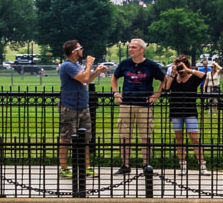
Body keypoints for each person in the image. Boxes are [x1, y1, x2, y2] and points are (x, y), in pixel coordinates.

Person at [109, 38, 165, 170]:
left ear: (142, 50)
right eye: (129, 47)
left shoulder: (151, 65)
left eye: (133, 47)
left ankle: (146, 164)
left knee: (145, 136)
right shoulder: (124, 64)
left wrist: (156, 95)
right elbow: (114, 77)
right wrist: (116, 93)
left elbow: (164, 79)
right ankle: (125, 165)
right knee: (124, 135)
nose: (130, 49)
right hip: (126, 103)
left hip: (144, 104)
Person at [56, 42, 104, 173]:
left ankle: (86, 167)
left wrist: (97, 71)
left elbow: (87, 80)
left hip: (83, 106)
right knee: (66, 138)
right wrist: (88, 64)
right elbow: (83, 78)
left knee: (85, 139)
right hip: (69, 106)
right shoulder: (67, 66)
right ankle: (64, 168)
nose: (82, 50)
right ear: (74, 52)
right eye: (80, 48)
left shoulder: (76, 65)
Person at [164, 55, 205, 171]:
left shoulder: (193, 78)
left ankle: (202, 164)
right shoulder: (174, 78)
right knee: (179, 138)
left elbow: (203, 76)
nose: (180, 68)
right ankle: (182, 164)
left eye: (181, 65)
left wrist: (188, 70)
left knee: (194, 138)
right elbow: (166, 88)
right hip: (176, 111)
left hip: (190, 111)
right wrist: (172, 74)